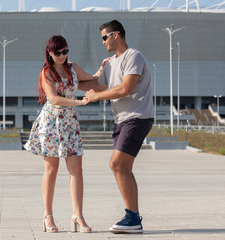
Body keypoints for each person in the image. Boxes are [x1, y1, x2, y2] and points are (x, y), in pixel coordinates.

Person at [24, 35, 100, 233]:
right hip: (51, 123)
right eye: (57, 52)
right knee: (51, 170)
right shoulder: (46, 72)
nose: (62, 55)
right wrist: (79, 102)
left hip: (70, 123)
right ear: (49, 53)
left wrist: (102, 68)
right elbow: (54, 99)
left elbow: (91, 79)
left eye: (65, 51)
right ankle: (48, 216)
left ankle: (78, 216)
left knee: (77, 170)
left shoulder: (72, 68)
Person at [84, 20, 154, 234]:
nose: (102, 42)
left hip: (137, 116)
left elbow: (125, 88)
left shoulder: (133, 56)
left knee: (117, 164)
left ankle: (132, 217)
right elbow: (95, 84)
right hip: (122, 119)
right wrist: (64, 76)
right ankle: (133, 217)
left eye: (104, 37)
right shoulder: (112, 62)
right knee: (122, 167)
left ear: (115, 35)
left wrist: (96, 97)